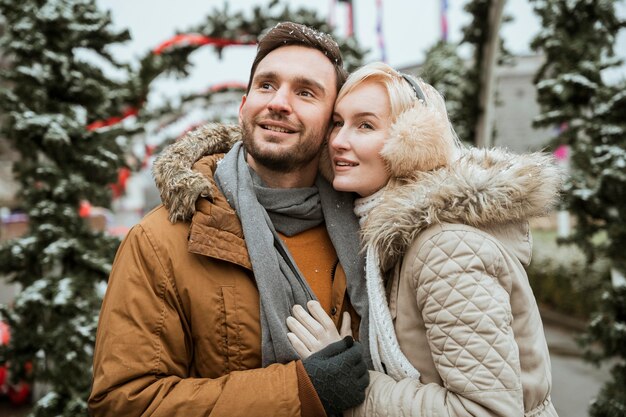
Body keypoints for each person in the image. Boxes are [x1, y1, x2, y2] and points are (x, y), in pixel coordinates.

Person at [157, 62, 563, 417]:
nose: (337, 141)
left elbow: (486, 412)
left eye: (365, 125)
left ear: (414, 144)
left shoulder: (445, 248)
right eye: (337, 123)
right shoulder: (387, 236)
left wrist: (348, 379)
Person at [88, 22, 370, 417]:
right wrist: (300, 392)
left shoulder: (371, 233)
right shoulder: (160, 241)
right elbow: (124, 403)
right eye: (266, 85)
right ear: (243, 106)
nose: (279, 102)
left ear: (332, 125)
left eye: (305, 92)